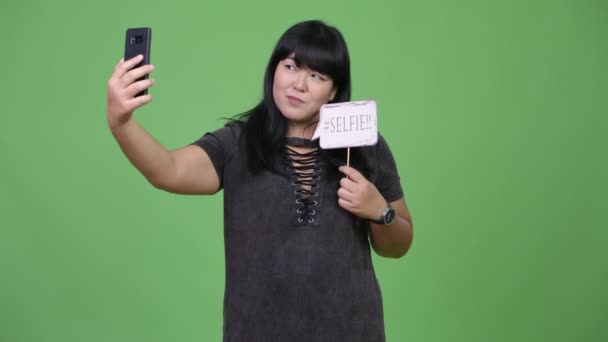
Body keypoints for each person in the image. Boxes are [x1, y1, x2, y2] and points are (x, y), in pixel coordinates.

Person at [107, 20, 413, 342]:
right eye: (291, 66)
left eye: (317, 76)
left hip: (351, 330)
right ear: (274, 70)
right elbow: (167, 170)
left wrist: (380, 211)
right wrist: (121, 122)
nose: (299, 84)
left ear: (333, 89)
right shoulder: (237, 142)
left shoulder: (364, 146)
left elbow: (398, 246)